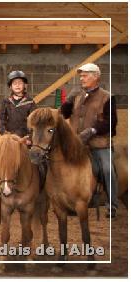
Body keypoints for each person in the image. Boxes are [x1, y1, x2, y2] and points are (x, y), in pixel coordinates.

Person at [60, 63, 118, 218]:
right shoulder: (77, 95)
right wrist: (68, 101)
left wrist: (92, 131)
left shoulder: (107, 97)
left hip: (99, 144)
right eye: (81, 75)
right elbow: (63, 114)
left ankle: (111, 204)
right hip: (76, 144)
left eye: (85, 75)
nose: (81, 78)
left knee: (107, 169)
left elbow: (111, 122)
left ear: (96, 77)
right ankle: (64, 201)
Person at [0, 71, 37, 138]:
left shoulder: (30, 102)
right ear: (10, 86)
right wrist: (4, 133)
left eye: (20, 83)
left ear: (24, 85)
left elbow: (35, 121)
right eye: (15, 83)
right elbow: (1, 118)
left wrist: (30, 137)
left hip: (25, 138)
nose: (17, 85)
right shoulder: (6, 101)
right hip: (10, 137)